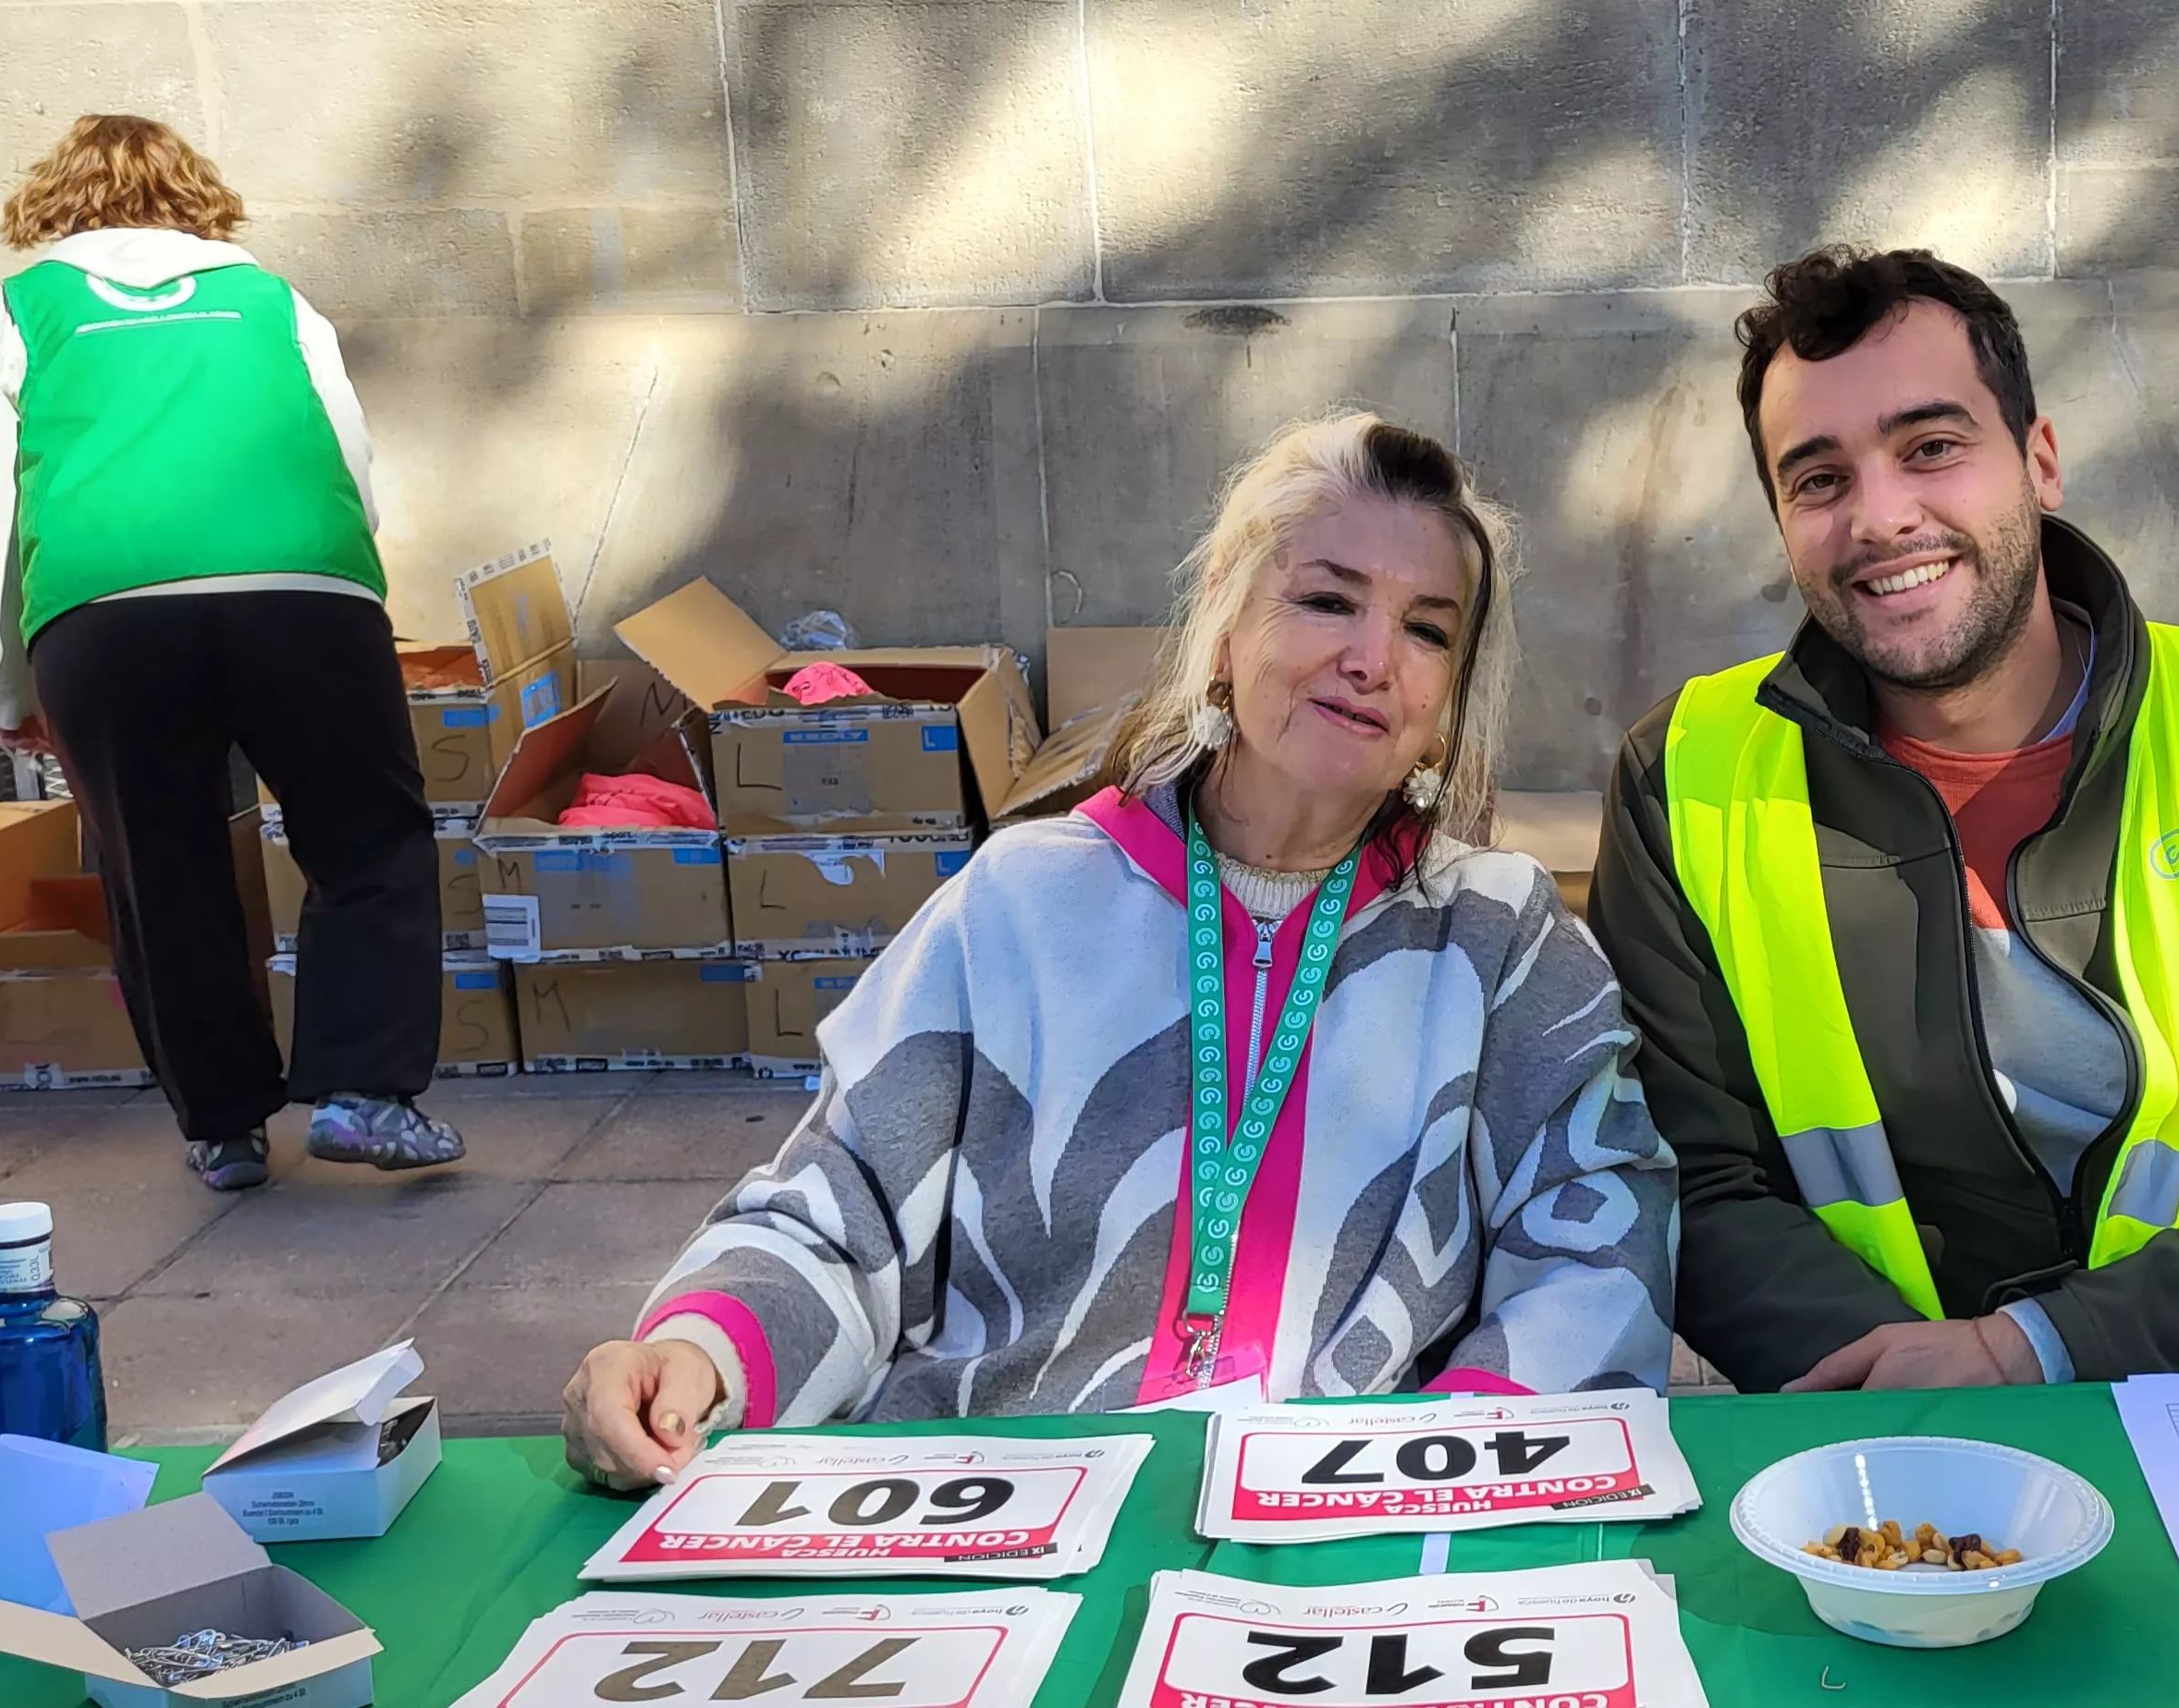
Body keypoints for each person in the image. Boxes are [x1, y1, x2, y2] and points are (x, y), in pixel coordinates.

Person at [561, 414, 1674, 1482]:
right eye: (1327, 600)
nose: (1373, 657)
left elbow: (1598, 1250)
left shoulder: (1501, 938)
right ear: (1225, 623)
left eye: (1427, 630)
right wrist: (700, 1354)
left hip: (1341, 1530)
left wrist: (1430, 1471)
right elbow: (839, 1207)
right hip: (999, 1513)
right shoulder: (1020, 901)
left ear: (1448, 699)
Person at [1588, 247, 2179, 1394]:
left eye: (1931, 448)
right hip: (1882, 1438)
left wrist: (2025, 1355)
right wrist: (1913, 1394)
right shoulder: (1684, 775)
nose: (1880, 517)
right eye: (1818, 479)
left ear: (2040, 460)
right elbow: (1689, 1184)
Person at [0, 115, 459, 1191]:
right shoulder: (270, 297)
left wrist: (8, 679)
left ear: (54, 199)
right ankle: (365, 1093)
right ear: (194, 194)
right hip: (299, 590)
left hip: (109, 615)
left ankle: (224, 1127)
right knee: (369, 840)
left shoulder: (20, 307)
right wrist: (344, 587)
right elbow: (349, 449)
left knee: (159, 867)